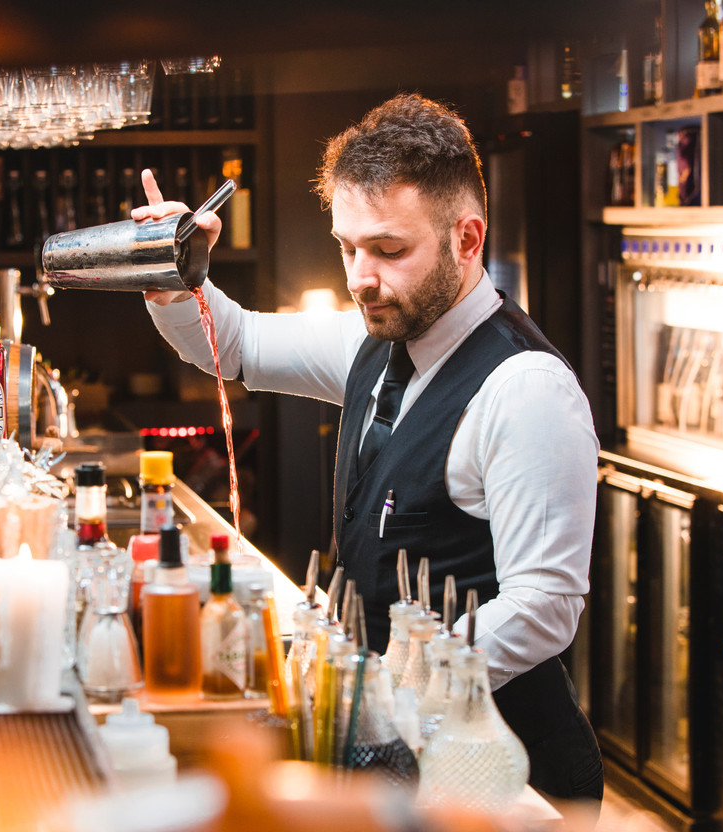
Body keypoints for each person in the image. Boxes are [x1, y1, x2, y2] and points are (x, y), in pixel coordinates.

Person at [134, 93, 602, 803]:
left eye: (389, 250)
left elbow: (545, 605)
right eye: (347, 248)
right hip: (393, 759)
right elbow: (236, 343)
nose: (359, 278)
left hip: (506, 774)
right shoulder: (373, 340)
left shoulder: (526, 388)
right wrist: (175, 274)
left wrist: (391, 685)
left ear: (468, 239)